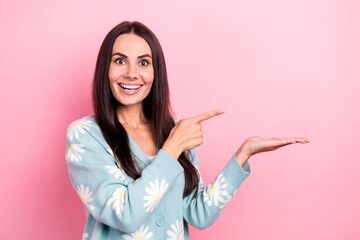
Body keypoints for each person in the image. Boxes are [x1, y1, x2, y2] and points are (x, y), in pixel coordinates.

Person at [65, 21, 309, 240]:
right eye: (119, 60)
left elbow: (199, 212)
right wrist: (173, 147)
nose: (131, 73)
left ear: (155, 72)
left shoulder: (174, 129)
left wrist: (243, 155)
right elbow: (124, 215)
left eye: (143, 62)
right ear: (104, 70)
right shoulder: (85, 135)